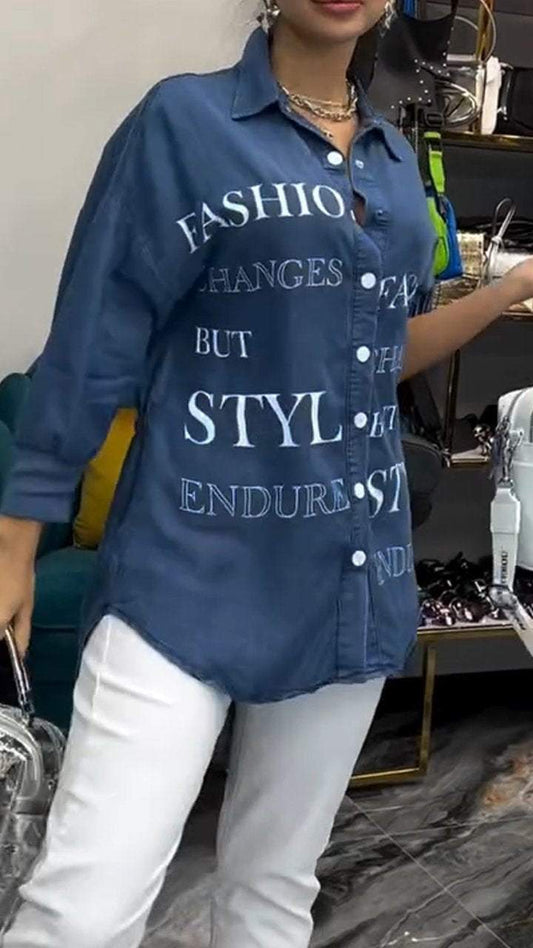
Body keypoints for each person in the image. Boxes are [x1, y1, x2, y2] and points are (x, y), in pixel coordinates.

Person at [1, 0, 532, 945]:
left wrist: (511, 291)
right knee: (81, 913)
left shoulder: (395, 165)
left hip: (347, 577)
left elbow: (372, 356)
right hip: (185, 572)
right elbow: (91, 340)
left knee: (274, 891)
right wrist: (16, 538)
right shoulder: (184, 123)